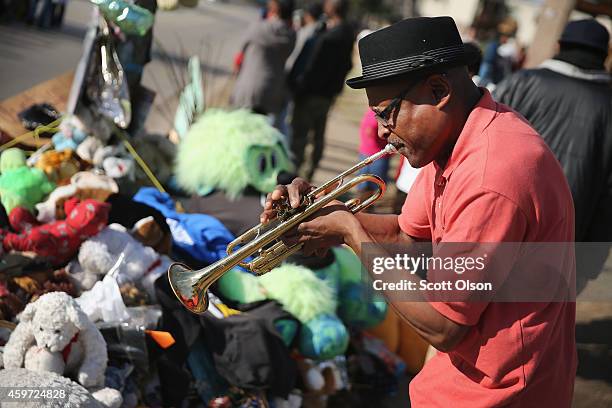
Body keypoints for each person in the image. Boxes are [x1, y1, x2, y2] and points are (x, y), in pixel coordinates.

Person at [261, 17, 577, 407]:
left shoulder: (491, 174)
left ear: (440, 90)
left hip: (502, 394)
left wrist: (351, 233)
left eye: (387, 113)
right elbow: (407, 237)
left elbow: (445, 326)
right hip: (460, 379)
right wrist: (329, 213)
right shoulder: (458, 137)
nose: (380, 132)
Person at [494, 19, 612, 293]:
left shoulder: (521, 82)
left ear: (559, 45)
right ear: (603, 55)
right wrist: (588, 265)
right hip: (566, 239)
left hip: (502, 219)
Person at [289, 0, 355, 180]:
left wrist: (300, 87)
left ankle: (295, 178)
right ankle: (307, 174)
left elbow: (312, 66)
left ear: (332, 8)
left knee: (300, 137)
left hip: (312, 94)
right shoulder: (346, 33)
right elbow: (347, 64)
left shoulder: (330, 36)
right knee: (318, 136)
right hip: (328, 95)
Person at [230, 0, 296, 123]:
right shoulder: (291, 35)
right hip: (273, 92)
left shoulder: (258, 28)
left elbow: (239, 57)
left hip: (248, 90)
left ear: (275, 9)